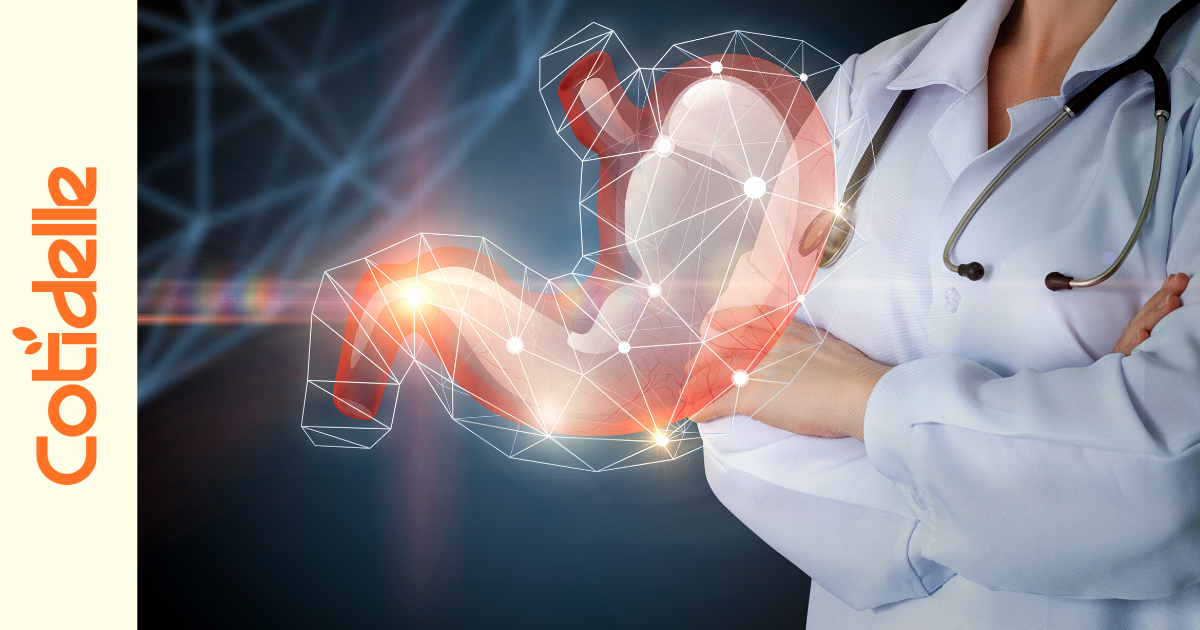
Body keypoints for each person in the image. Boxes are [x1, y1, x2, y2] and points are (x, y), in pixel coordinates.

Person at [690, 0, 1200, 627]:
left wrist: (852, 398)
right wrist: (1075, 477)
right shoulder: (868, 91)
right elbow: (732, 398)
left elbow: (1176, 485)